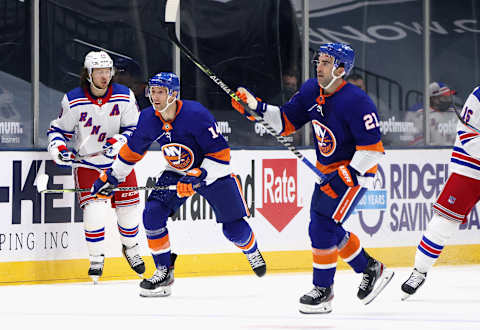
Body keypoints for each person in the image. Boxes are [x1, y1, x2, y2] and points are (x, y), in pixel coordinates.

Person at [232, 42, 394, 314]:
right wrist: (255, 106)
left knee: (321, 228)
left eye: (326, 63)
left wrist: (344, 177)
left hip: (356, 175)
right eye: (319, 61)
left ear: (341, 70)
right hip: (328, 172)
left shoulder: (357, 101)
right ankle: (369, 267)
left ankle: (323, 290)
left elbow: (373, 150)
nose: (318, 67)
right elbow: (285, 121)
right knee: (325, 227)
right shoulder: (310, 90)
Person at [90, 72, 267, 297]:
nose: (155, 96)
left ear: (173, 94)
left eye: (160, 92)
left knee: (234, 230)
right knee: (152, 213)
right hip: (177, 170)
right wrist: (111, 177)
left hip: (212, 171)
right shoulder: (148, 118)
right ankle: (164, 271)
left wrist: (198, 175)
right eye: (152, 91)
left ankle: (251, 251)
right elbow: (131, 153)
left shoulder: (196, 115)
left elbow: (221, 155)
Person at [47, 50, 145, 283]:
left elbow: (135, 128)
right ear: (88, 74)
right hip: (88, 165)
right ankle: (96, 259)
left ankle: (131, 248)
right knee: (95, 212)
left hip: (120, 164)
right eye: (98, 71)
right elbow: (58, 131)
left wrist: (120, 141)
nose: (104, 76)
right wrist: (59, 150)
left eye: (107, 71)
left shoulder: (125, 95)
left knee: (129, 213)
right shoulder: (73, 100)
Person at [401, 85, 480, 300]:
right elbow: (467, 135)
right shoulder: (478, 96)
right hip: (470, 168)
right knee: (443, 223)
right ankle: (419, 272)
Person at [401, 82, 457, 146]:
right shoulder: (417, 113)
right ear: (433, 98)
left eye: (449, 97)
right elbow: (410, 140)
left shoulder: (454, 112)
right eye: (445, 98)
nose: (449, 100)